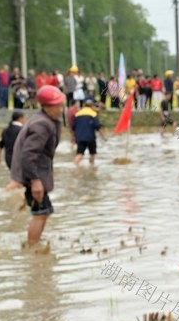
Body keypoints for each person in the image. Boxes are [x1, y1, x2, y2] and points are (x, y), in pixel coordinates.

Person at [7, 86, 65, 247]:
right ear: (47, 107)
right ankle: (32, 250)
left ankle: (35, 244)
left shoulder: (44, 119)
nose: (61, 109)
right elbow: (29, 155)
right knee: (41, 213)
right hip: (33, 175)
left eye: (62, 105)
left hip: (35, 174)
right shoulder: (42, 125)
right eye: (57, 106)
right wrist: (35, 181)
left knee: (43, 212)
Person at [72, 98, 106, 165]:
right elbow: (98, 126)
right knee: (92, 154)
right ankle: (92, 167)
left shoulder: (77, 114)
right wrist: (104, 137)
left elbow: (73, 127)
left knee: (79, 154)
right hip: (90, 138)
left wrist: (73, 139)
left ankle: (75, 167)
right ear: (92, 106)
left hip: (80, 138)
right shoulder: (93, 114)